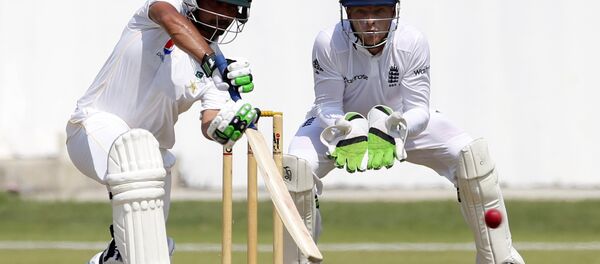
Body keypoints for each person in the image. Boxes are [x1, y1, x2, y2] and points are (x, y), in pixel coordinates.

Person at [281, 0, 525, 263]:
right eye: (361, 12)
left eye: (379, 12)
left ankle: (500, 258)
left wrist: (394, 127)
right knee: (297, 170)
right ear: (348, 13)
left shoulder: (412, 41)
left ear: (393, 12)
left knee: (471, 157)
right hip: (342, 124)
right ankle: (295, 260)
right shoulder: (328, 42)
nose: (370, 21)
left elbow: (419, 108)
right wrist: (345, 128)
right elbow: (327, 104)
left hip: (399, 121)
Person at [65, 0, 257, 263]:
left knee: (148, 249)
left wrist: (221, 129)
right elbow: (168, 18)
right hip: (93, 128)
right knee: (135, 160)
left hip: (152, 161)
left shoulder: (215, 66)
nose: (229, 17)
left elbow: (209, 121)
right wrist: (213, 64)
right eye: (223, 8)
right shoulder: (161, 14)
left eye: (234, 12)